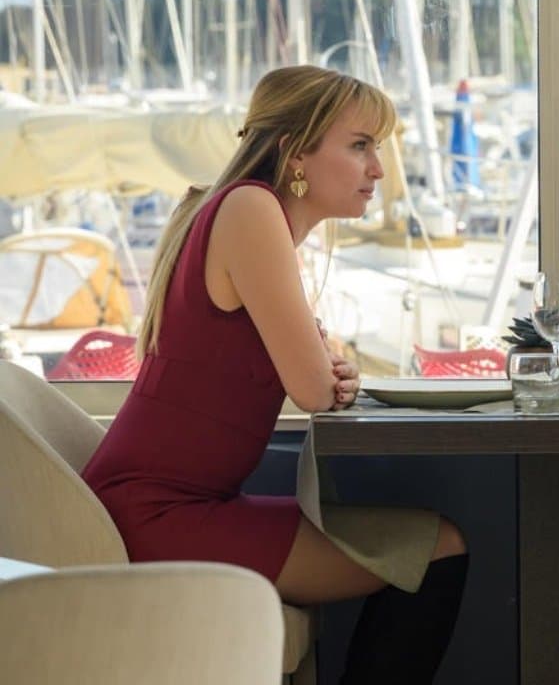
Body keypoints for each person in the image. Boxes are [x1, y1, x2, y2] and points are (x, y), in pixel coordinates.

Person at [81, 66, 467, 683]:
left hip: (178, 507)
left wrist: (331, 370)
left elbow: (313, 374)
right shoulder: (250, 209)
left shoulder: (245, 213)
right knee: (435, 549)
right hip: (158, 518)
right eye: (360, 145)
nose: (378, 170)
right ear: (296, 154)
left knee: (432, 543)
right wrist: (328, 373)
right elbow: (314, 388)